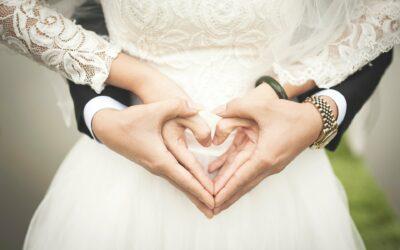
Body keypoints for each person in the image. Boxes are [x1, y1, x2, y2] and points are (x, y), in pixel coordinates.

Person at [0, 0, 398, 249]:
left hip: (280, 177)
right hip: (126, 176)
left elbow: (384, 13)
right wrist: (138, 79)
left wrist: (298, 102)